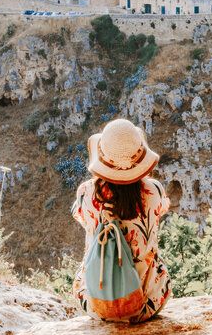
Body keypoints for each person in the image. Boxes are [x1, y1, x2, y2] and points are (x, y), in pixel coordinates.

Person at [71, 118, 171, 323]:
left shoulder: (86, 192)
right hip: (146, 305)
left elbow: (80, 216)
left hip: (97, 304)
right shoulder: (154, 190)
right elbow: (160, 211)